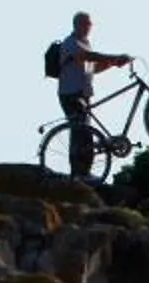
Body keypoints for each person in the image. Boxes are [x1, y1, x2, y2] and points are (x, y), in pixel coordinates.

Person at [53, 12, 133, 180]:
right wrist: (115, 57)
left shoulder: (85, 43)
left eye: (90, 24)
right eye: (85, 24)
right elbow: (89, 57)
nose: (89, 27)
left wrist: (112, 64)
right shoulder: (71, 43)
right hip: (70, 93)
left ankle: (82, 172)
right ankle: (80, 173)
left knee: (83, 131)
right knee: (81, 132)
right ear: (76, 25)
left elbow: (91, 68)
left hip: (83, 93)